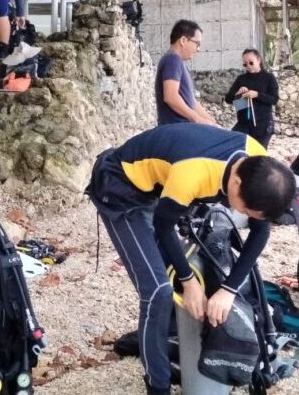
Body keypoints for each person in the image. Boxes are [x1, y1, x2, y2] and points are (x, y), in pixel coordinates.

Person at [85, 123, 295, 395]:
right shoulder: (193, 173)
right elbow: (163, 225)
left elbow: (260, 231)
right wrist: (189, 282)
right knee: (158, 292)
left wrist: (228, 289)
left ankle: (172, 342)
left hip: (159, 188)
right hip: (120, 187)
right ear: (236, 183)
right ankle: (158, 384)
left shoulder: (259, 164)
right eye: (245, 210)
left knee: (181, 268)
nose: (245, 216)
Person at [155, 19, 216, 125]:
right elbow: (171, 97)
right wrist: (198, 119)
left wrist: (212, 121)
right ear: (183, 40)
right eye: (197, 44)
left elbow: (192, 102)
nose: (198, 49)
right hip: (177, 127)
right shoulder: (172, 59)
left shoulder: (179, 63)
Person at [225, 48, 279, 148]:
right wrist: (238, 93)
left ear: (258, 60)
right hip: (243, 123)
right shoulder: (241, 79)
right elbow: (228, 99)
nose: (248, 66)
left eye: (251, 62)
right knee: (232, 149)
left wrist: (257, 94)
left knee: (258, 154)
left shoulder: (269, 77)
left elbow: (274, 99)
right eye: (245, 64)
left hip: (263, 124)